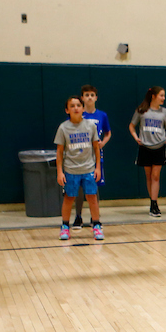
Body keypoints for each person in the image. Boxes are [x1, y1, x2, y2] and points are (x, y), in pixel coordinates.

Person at [55, 96, 103, 241]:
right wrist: (60, 171)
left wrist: (98, 168)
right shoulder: (63, 128)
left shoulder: (90, 126)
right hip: (71, 170)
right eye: (72, 105)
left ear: (82, 108)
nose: (76, 108)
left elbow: (96, 148)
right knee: (69, 198)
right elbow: (59, 152)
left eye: (78, 105)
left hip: (88, 169)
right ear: (67, 110)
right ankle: (64, 226)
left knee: (92, 198)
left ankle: (96, 225)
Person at [129, 86, 166, 217]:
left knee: (156, 176)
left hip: (159, 147)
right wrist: (136, 138)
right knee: (149, 176)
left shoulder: (165, 113)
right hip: (145, 147)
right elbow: (131, 125)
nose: (163, 98)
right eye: (161, 95)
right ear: (154, 96)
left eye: (164, 96)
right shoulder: (142, 111)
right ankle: (152, 203)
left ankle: (154, 204)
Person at [73, 84, 110, 230]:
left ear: (96, 97)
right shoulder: (78, 115)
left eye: (92, 95)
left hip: (95, 156)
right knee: (79, 187)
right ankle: (78, 216)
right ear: (82, 98)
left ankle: (95, 217)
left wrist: (102, 144)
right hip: (80, 155)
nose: (89, 97)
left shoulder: (102, 115)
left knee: (94, 186)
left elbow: (108, 133)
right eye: (86, 95)